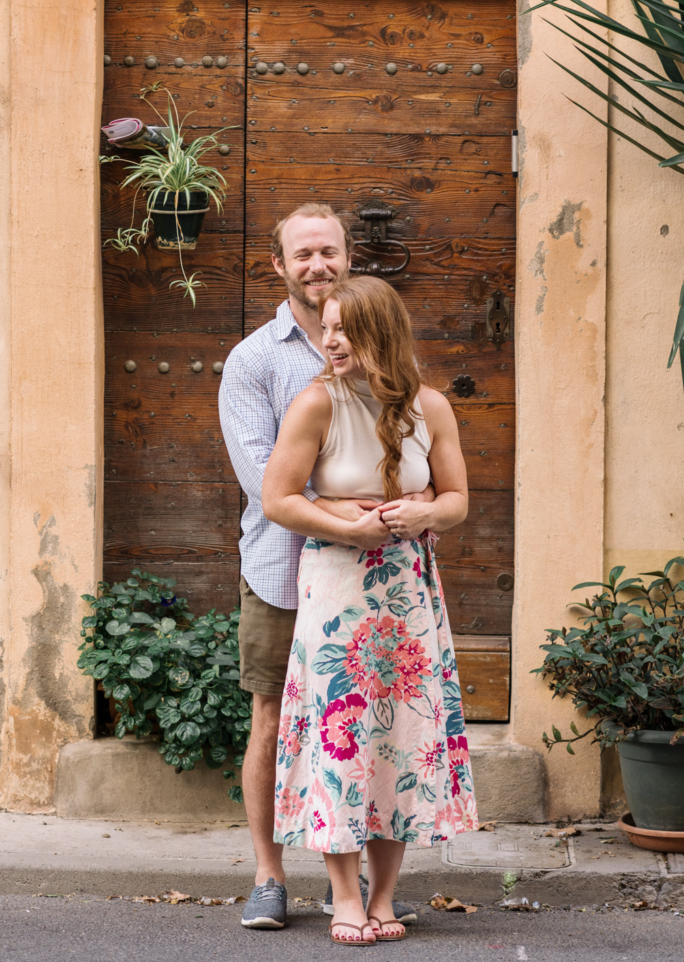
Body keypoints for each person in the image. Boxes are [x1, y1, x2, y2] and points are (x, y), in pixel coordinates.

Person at [218, 204, 428, 932]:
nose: (317, 265)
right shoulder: (255, 360)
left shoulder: (380, 345)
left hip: (377, 578)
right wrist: (360, 521)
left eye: (328, 251)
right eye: (301, 254)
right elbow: (264, 482)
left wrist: (404, 513)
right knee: (274, 715)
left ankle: (373, 886)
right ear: (278, 266)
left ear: (346, 256)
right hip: (282, 567)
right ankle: (270, 875)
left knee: (376, 722)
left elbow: (421, 464)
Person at [262, 275, 477, 946]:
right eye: (325, 328)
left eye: (343, 329)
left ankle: (384, 898)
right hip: (337, 590)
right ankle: (345, 896)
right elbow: (278, 498)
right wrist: (348, 529)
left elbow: (457, 499)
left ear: (381, 332)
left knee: (399, 739)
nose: (329, 339)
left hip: (409, 591)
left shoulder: (431, 407)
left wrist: (422, 511)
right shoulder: (315, 405)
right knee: (341, 735)